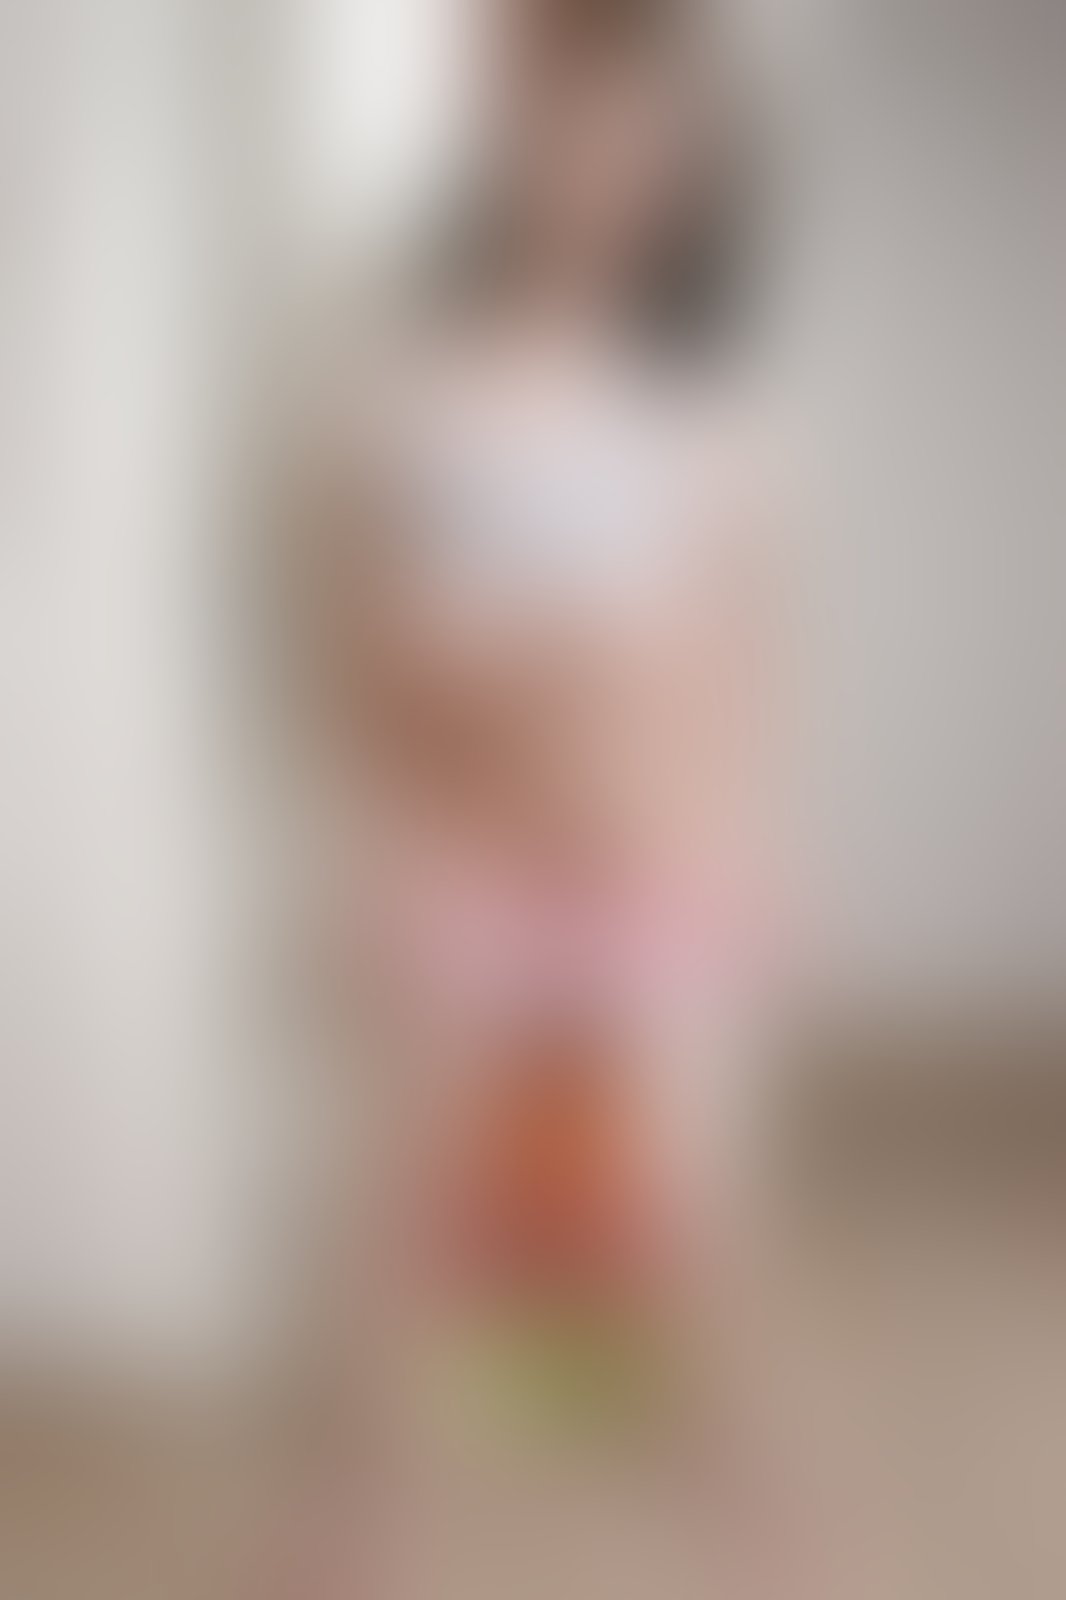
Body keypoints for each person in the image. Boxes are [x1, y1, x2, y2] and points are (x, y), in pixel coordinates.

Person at [287, 1, 816, 1593]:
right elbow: (369, 662)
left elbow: (741, 662)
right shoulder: (416, 392)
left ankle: (742, 1493)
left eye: (644, 139)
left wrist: (752, 848)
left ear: (687, 173)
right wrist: (379, 844)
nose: (601, 169)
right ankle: (359, 1515)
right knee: (414, 1201)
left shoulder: (704, 411)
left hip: (661, 853)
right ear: (505, 144)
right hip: (469, 857)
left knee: (679, 1199)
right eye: (569, 129)